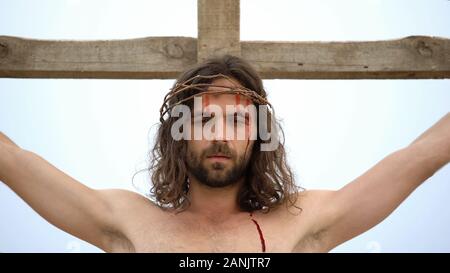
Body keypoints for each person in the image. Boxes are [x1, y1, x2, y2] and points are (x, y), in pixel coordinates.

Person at [0, 55, 449, 253]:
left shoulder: (302, 223)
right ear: (178, 135)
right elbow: (14, 160)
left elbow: (420, 156)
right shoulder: (127, 221)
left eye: (237, 121)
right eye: (202, 119)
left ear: (258, 137)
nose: (219, 135)